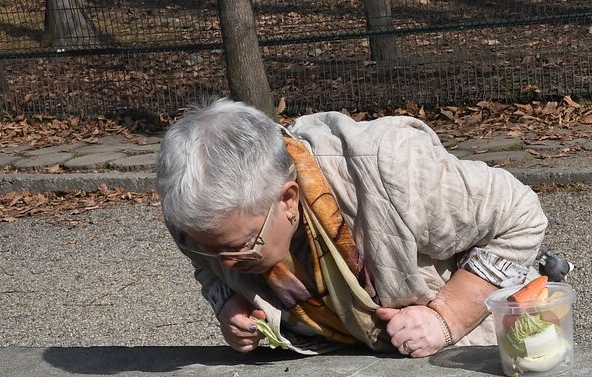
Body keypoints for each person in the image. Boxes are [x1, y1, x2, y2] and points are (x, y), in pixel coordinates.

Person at [155, 98, 548, 358]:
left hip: (475, 357)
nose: (225, 260)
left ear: (288, 200)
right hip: (359, 360)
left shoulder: (389, 166)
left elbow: (520, 216)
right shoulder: (196, 220)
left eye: (242, 246)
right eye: (209, 246)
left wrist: (448, 317)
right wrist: (227, 301)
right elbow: (208, 267)